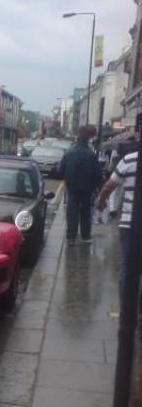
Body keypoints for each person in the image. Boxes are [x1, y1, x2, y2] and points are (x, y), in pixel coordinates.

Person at [98, 137, 140, 300]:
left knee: (127, 266)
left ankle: (126, 305)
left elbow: (109, 186)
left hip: (129, 223)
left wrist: (101, 202)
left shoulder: (129, 160)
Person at [59, 125, 101, 245]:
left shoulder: (68, 154)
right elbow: (97, 173)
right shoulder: (91, 155)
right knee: (86, 211)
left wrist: (67, 178)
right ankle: (85, 236)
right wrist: (98, 188)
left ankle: (71, 237)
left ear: (77, 140)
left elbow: (61, 171)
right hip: (87, 188)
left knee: (72, 211)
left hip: (72, 188)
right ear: (87, 141)